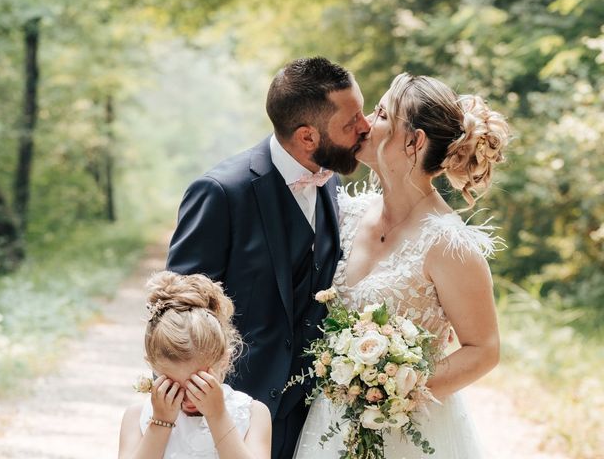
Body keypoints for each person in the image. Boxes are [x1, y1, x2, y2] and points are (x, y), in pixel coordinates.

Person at [295, 72, 510, 458]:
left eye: (380, 114)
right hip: (329, 424)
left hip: (409, 434)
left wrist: (398, 388)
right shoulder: (345, 213)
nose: (363, 124)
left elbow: (484, 348)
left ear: (415, 141)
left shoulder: (448, 243)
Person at [165, 56, 370, 459]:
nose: (365, 127)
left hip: (315, 413)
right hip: (233, 413)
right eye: (351, 122)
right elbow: (177, 313)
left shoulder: (330, 183)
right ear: (307, 137)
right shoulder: (221, 192)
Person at [118, 271, 272, 459]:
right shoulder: (137, 417)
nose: (189, 397)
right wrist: (161, 422)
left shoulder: (253, 414)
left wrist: (217, 416)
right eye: (174, 387)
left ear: (224, 360)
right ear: (153, 366)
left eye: (198, 383)